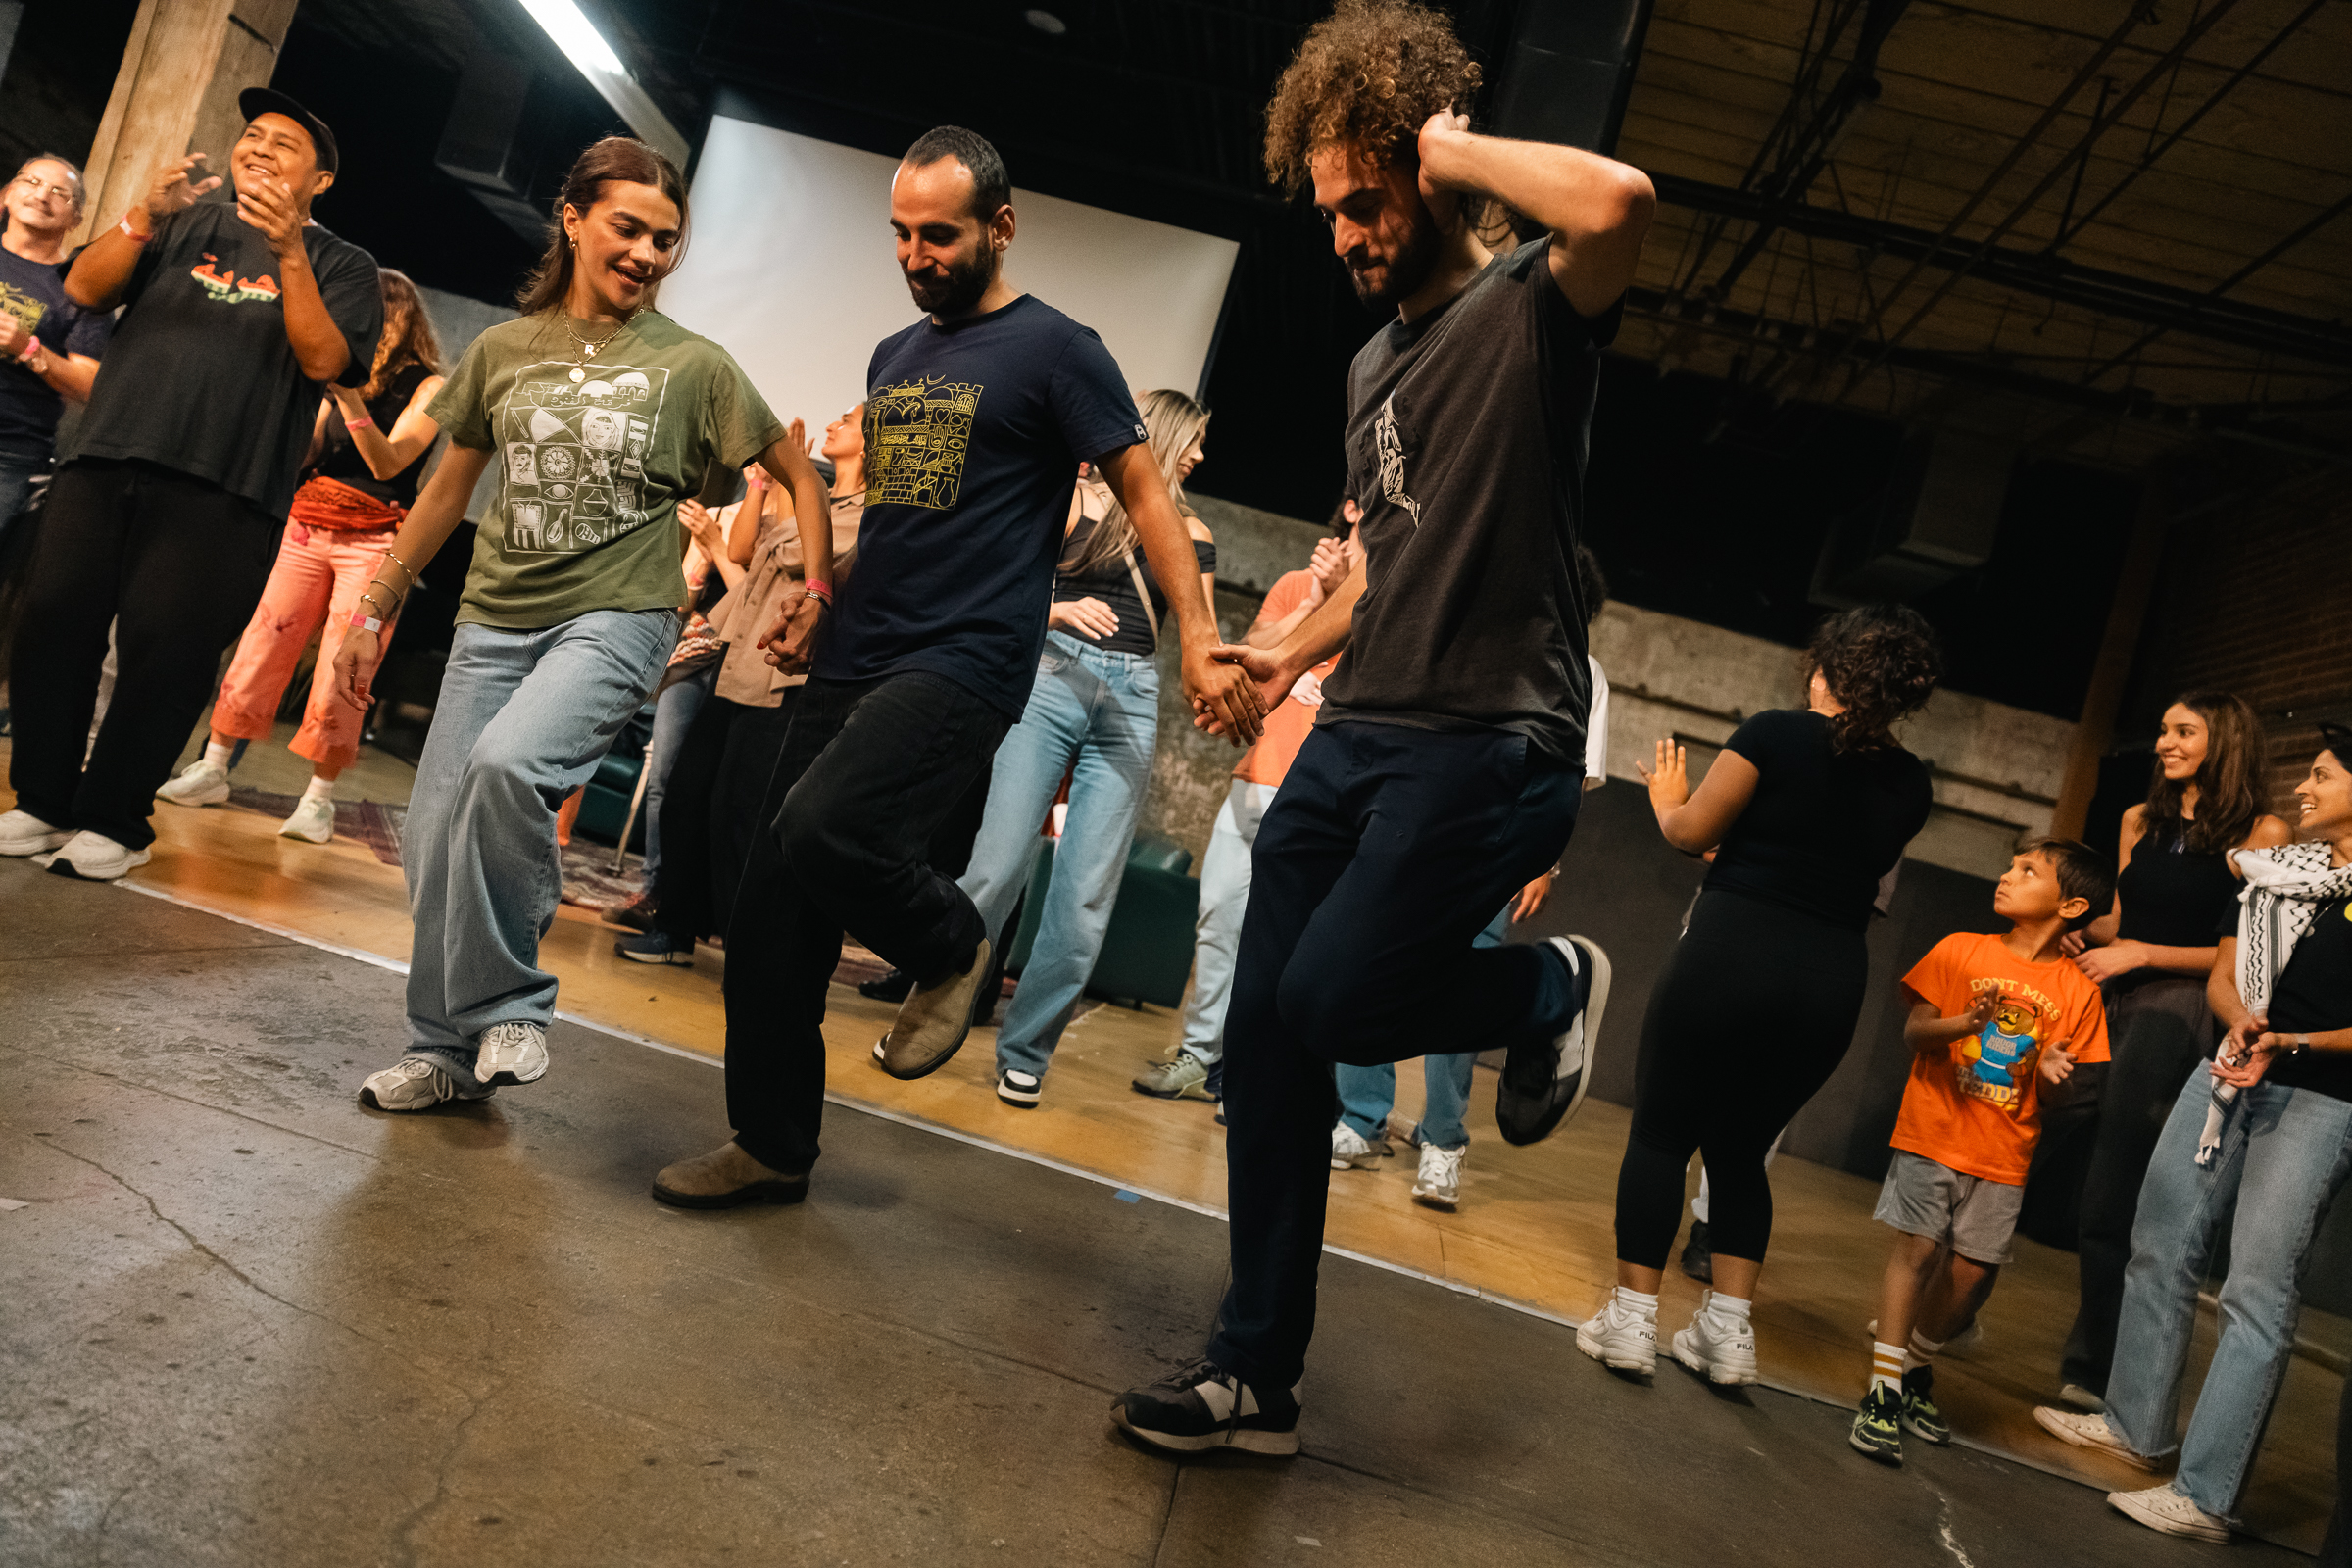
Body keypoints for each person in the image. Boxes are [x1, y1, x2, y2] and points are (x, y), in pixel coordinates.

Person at [1110, 0, 1652, 1456]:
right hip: (1360, 731)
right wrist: (1275, 657)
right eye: (1333, 210)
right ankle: (1253, 1377)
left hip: (1491, 743)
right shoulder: (1370, 373)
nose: (1349, 232)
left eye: (1372, 199)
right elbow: (1383, 568)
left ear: (1431, 176)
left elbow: (1621, 198)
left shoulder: (1538, 308)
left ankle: (1547, 993)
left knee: (1336, 1003)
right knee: (1269, 1060)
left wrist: (1452, 142)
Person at [649, 126, 1262, 1208]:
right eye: (901, 234)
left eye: (940, 234)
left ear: (1000, 228)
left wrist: (1202, 636)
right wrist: (819, 599)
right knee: (768, 909)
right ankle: (774, 1143)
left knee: (822, 825)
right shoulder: (899, 358)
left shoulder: (1056, 349)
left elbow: (1144, 487)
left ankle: (951, 938)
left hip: (965, 660)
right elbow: (898, 511)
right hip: (855, 647)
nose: (916, 254)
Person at [338, 135, 831, 1112]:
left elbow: (800, 476)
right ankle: (443, 1051)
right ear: (573, 219)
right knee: (435, 831)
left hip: (620, 614)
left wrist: (814, 594)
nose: (649, 253)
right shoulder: (503, 351)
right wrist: (374, 602)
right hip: (493, 618)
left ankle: (515, 1000)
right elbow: (445, 494)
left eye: (668, 239)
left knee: (506, 771)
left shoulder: (696, 365)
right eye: (629, 228)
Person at [0, 90, 382, 879]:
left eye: (285, 143)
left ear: (322, 181)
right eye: (252, 135)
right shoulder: (183, 223)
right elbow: (83, 290)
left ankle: (115, 820)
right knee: (51, 624)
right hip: (105, 453)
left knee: (163, 654)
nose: (261, 148)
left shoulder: (345, 265)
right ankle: (41, 803)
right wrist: (141, 213)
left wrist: (288, 253)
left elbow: (324, 361)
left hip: (224, 487)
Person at [1581, 604, 1939, 1387]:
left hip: (1732, 952)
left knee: (1662, 1136)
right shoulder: (1912, 782)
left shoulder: (1775, 733)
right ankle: (1727, 1333)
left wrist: (1666, 797)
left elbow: (1687, 833)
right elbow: (1826, 849)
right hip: (1828, 982)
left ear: (1827, 668)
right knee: (1741, 1151)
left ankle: (1633, 1324)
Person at [2034, 727, 2352, 1544]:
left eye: (2320, 776)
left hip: (2320, 1097)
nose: (2304, 790)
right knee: (2160, 1239)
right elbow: (2222, 966)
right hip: (2229, 1068)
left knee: (2256, 1289)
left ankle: (2208, 1494)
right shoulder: (2273, 875)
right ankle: (2137, 1427)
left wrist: (2292, 1044)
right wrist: (2242, 1022)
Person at [949, 388, 1216, 1108]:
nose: (1199, 453)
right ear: (1161, 434)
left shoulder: (1193, 533)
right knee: (996, 867)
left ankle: (1026, 1051)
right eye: (1192, 438)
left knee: (1085, 894)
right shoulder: (1077, 498)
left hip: (1133, 696)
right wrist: (1057, 607)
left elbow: (1203, 632)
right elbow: (995, 583)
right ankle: (934, 1012)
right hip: (1051, 677)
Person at [1328, 541, 1615, 1210]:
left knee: (1461, 975)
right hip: (1414, 828)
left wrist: (1546, 861)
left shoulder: (1586, 673)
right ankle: (1360, 1119)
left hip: (1497, 844)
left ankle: (1444, 1141)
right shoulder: (1473, 629)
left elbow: (1573, 777)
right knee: (1366, 961)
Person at [2053, 692, 2290, 1412]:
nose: (2163, 741)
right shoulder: (2139, 820)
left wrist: (2140, 954)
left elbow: (2243, 957)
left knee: (2115, 1190)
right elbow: (2122, 919)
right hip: (2106, 1000)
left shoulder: (2263, 830)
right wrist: (2085, 931)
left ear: (2225, 742)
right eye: (2161, 729)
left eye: (2183, 731)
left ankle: (2097, 1370)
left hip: (2179, 1011)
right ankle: (1954, 1303)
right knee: (2043, 1137)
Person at [154, 268, 446, 843]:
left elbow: (390, 463)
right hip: (308, 524)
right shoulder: (340, 376)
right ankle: (213, 765)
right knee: (263, 639)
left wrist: (351, 399)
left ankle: (318, 799)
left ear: (395, 317)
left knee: (347, 660)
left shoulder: (428, 385)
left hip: (376, 539)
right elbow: (309, 450)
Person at [1847, 839, 2113, 1466]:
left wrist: (2054, 1072)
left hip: (2006, 1153)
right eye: (2010, 865)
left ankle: (1913, 1366)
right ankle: (1883, 1391)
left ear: (2071, 904)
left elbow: (2072, 1090)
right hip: (1934, 1130)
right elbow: (1917, 1032)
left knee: (1972, 1277)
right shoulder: (1960, 948)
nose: (2006, 876)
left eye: (2027, 872)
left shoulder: (2079, 992)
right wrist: (1966, 1026)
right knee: (1915, 1252)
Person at [615, 409, 867, 965]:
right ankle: (676, 930)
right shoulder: (812, 497)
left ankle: (744, 943)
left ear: (869, 445)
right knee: (687, 794)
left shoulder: (865, 517)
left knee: (744, 811)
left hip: (782, 676)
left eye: (849, 420)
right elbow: (745, 548)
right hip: (735, 662)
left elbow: (804, 556)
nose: (835, 424)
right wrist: (770, 480)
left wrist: (792, 494)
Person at [1132, 503, 1362, 1107]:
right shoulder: (1293, 585)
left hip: (1320, 795)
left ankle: (1258, 1076)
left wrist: (1347, 600)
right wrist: (1315, 603)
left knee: (1289, 943)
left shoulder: (1393, 591)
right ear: (1353, 507)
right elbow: (1252, 648)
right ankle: (1201, 1055)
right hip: (1253, 778)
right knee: (1217, 920)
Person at [0, 153, 107, 549]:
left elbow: (89, 384)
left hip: (9, 453)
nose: (42, 194)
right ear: (8, 194)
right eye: (30, 182)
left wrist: (27, 347)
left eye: (58, 192)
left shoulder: (80, 290)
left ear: (75, 218)